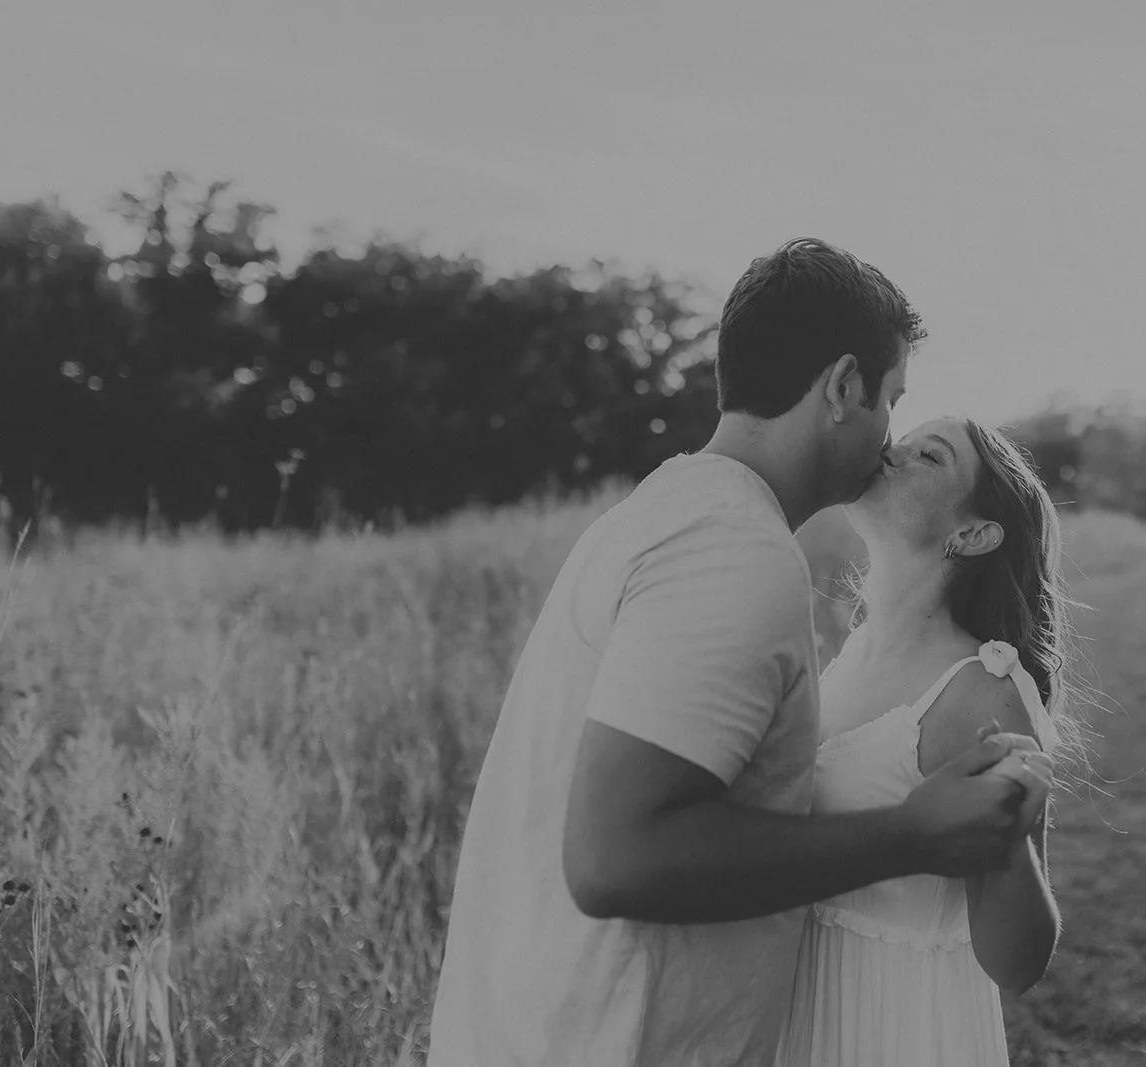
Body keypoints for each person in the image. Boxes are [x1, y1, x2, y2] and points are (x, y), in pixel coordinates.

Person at [425, 238, 1055, 1067]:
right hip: (605, 1038)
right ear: (842, 387)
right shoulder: (732, 550)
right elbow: (619, 854)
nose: (891, 438)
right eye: (891, 400)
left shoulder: (665, 513)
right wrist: (906, 834)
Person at [776, 415, 1085, 1067]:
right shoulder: (849, 653)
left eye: (929, 454)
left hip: (894, 1022)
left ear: (972, 534)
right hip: (796, 1006)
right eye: (904, 438)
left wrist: (1007, 844)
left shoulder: (981, 692)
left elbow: (1017, 964)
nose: (894, 449)